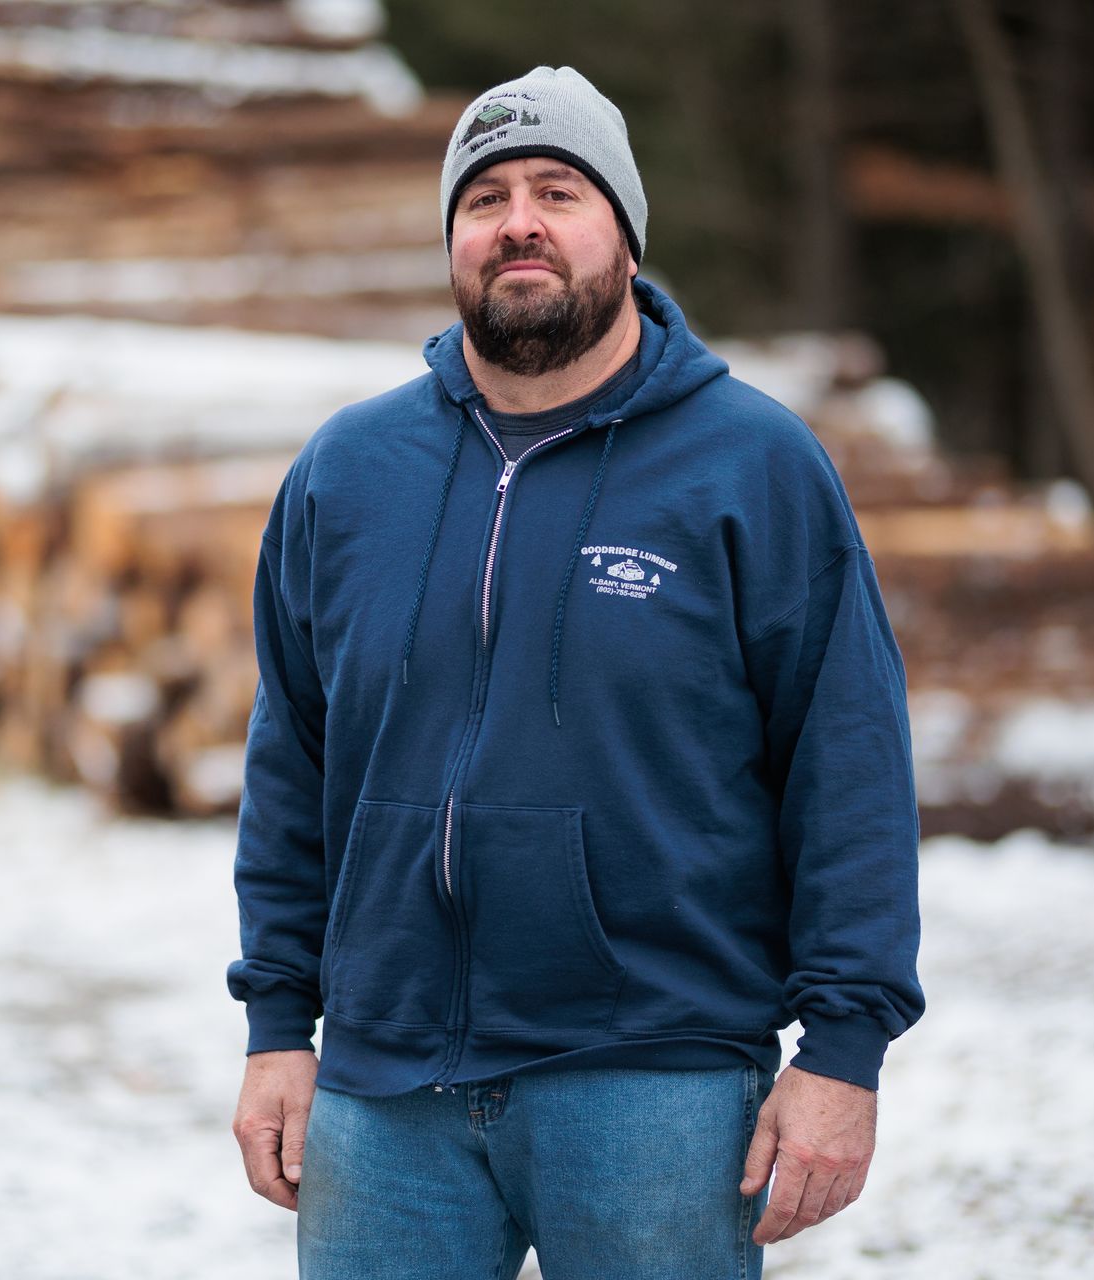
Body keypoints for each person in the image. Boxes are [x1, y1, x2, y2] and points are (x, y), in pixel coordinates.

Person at [227, 64, 924, 1280]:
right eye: (485, 197)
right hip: (386, 1094)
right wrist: (280, 1025)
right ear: (453, 238)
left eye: (559, 189)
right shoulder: (348, 472)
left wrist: (845, 1047)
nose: (520, 223)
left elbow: (848, 763)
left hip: (657, 1081)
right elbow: (292, 764)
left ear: (626, 233)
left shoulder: (751, 466)